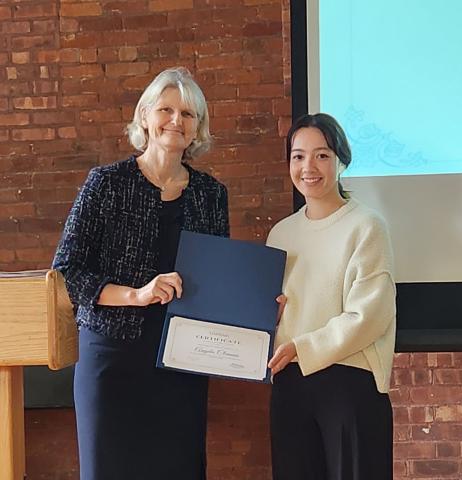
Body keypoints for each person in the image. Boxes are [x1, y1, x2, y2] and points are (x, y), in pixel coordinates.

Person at [52, 67, 229, 480]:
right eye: (166, 109)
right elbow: (67, 272)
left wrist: (254, 311)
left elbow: (219, 280)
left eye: (188, 114)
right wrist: (136, 294)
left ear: (197, 127)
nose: (176, 121)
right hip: (112, 361)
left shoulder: (211, 194)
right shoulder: (106, 184)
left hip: (182, 364)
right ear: (145, 116)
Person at [266, 113, 396, 480]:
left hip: (349, 384)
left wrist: (301, 347)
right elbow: (275, 312)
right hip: (290, 383)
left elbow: (369, 316)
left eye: (322, 155)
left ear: (342, 160)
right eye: (298, 156)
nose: (309, 166)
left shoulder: (366, 226)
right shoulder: (280, 234)